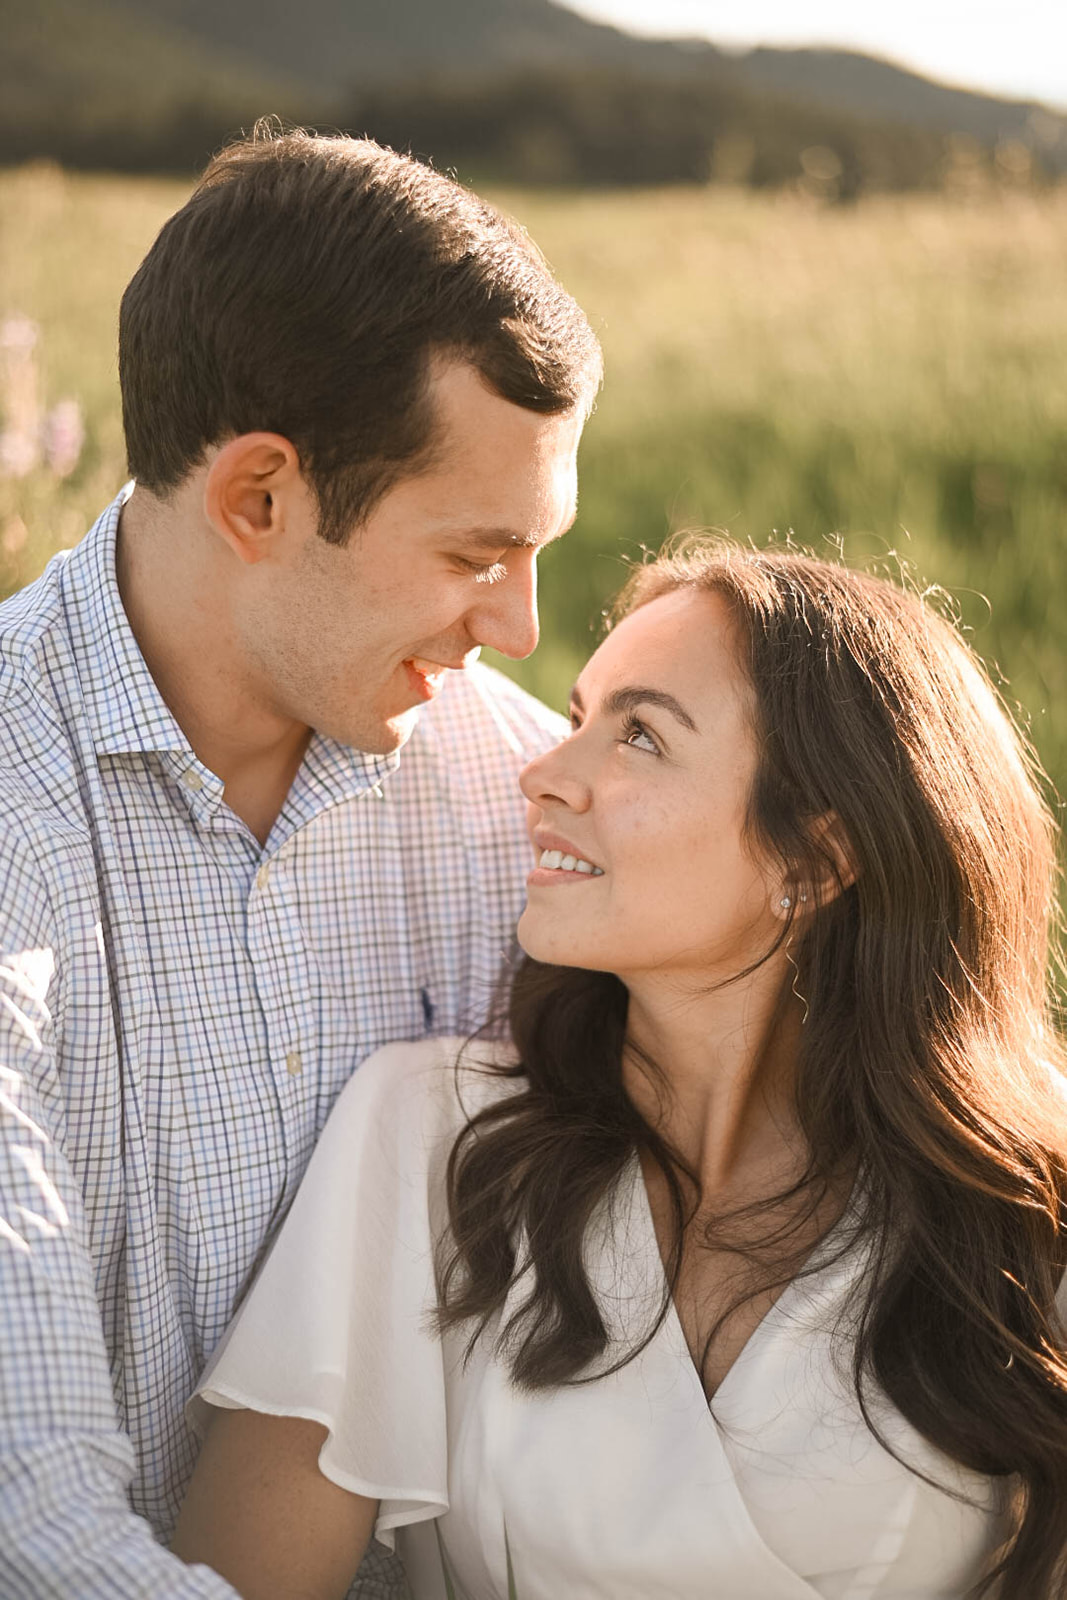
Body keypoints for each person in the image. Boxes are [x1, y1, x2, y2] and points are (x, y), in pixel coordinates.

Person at [174, 538, 1067, 1600]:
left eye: (639, 735)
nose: (545, 775)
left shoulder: (1014, 1208)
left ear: (814, 861)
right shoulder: (430, 1139)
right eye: (575, 719)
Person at [0, 126, 601, 1598]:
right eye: (475, 554)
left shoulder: (523, 804)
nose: (519, 627)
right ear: (259, 499)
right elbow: (30, 1512)